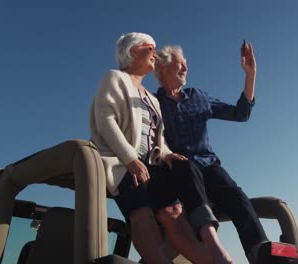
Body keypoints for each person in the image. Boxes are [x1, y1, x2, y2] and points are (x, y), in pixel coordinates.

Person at [90, 32, 233, 264]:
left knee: (174, 213)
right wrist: (130, 159)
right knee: (142, 215)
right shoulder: (114, 78)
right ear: (131, 51)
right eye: (149, 48)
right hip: (121, 162)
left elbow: (158, 137)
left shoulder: (152, 98)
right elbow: (106, 120)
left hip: (151, 165)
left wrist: (166, 153)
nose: (155, 54)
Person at [154, 43, 271, 264]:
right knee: (186, 168)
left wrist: (250, 74)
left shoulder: (198, 96)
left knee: (236, 195)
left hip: (208, 167)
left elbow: (240, 113)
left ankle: (259, 254)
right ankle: (214, 249)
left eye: (186, 65)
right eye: (181, 64)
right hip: (179, 174)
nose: (186, 69)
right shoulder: (153, 103)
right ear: (163, 67)